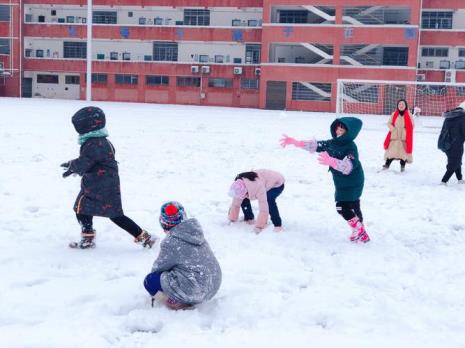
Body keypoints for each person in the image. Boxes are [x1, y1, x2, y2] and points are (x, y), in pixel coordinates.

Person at [61, 106, 156, 249]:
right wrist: (73, 164)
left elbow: (86, 161)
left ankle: (144, 237)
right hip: (101, 183)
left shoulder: (95, 143)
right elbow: (90, 159)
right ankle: (88, 237)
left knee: (110, 214)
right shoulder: (99, 141)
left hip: (101, 185)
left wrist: (72, 166)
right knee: (84, 208)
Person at [280, 117, 370, 243]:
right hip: (341, 182)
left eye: (342, 129)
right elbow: (317, 145)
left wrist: (332, 161)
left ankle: (359, 230)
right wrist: (296, 142)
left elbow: (349, 165)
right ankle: (361, 232)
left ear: (349, 132)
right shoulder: (333, 142)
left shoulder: (351, 147)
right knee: (353, 206)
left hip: (353, 180)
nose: (338, 131)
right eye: (337, 128)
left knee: (342, 207)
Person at [144, 201, 222, 310]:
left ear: (163, 223)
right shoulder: (194, 232)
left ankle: (177, 303)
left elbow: (158, 269)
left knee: (150, 281)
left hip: (197, 290)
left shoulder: (171, 242)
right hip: (213, 284)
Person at [382, 99, 415, 172]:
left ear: (405, 106)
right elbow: (389, 123)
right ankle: (386, 165)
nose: (401, 105)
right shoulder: (394, 114)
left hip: (404, 138)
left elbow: (412, 125)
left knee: (403, 155)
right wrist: (393, 129)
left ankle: (402, 167)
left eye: (402, 104)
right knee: (390, 153)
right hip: (394, 137)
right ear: (397, 105)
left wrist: (405, 131)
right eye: (399, 104)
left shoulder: (409, 114)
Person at [438, 101, 465, 185]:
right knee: (454, 163)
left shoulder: (450, 115)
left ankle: (460, 179)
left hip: (447, 144)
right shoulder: (463, 117)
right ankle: (444, 181)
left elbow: (443, 130)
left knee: (456, 160)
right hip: (457, 144)